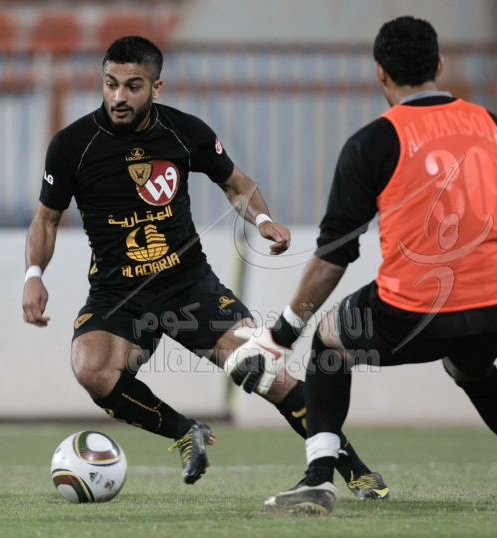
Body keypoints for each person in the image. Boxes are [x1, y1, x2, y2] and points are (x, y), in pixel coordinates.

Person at [230, 17, 497, 515]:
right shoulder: (493, 126)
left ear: (380, 72)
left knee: (329, 341)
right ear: (439, 63)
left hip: (412, 312)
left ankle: (318, 480)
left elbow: (334, 257)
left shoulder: (373, 142)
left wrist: (281, 336)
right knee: (473, 367)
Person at [21, 35, 388, 499]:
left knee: (263, 371)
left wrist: (263, 220)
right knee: (90, 367)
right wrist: (34, 275)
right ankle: (184, 432)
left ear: (156, 87)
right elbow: (46, 220)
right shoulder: (72, 145)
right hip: (119, 293)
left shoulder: (183, 131)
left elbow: (235, 183)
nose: (119, 97)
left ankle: (356, 471)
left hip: (189, 286)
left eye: (133, 86)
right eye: (111, 84)